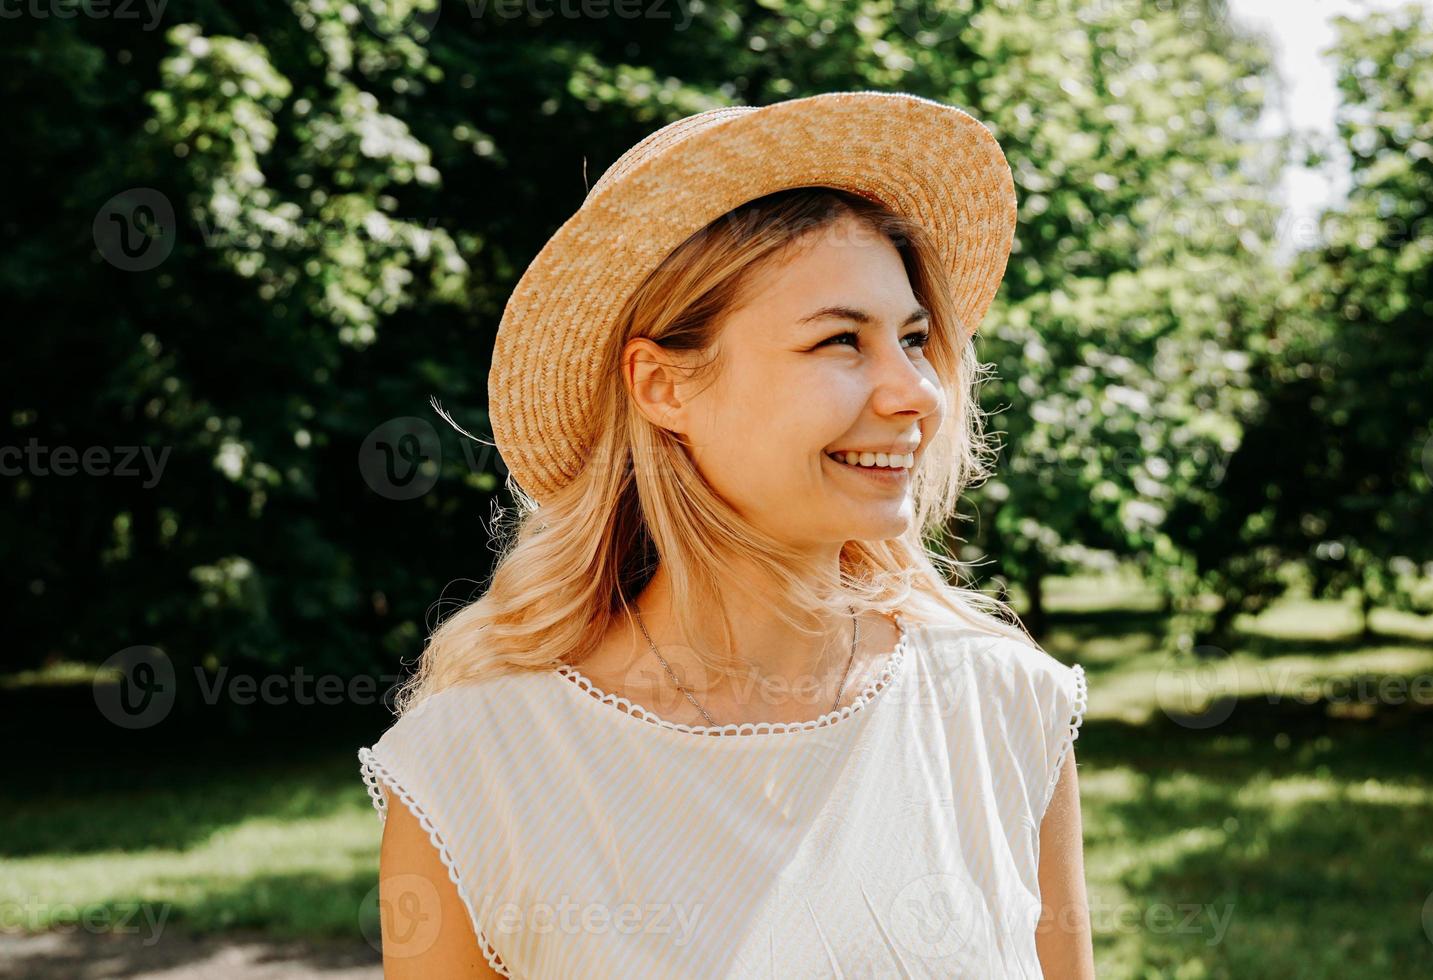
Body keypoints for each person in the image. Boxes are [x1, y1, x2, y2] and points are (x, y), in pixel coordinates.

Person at [358, 91, 1093, 978]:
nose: (917, 392)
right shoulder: (476, 769)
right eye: (839, 343)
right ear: (665, 388)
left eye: (912, 338)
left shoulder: (1006, 709)